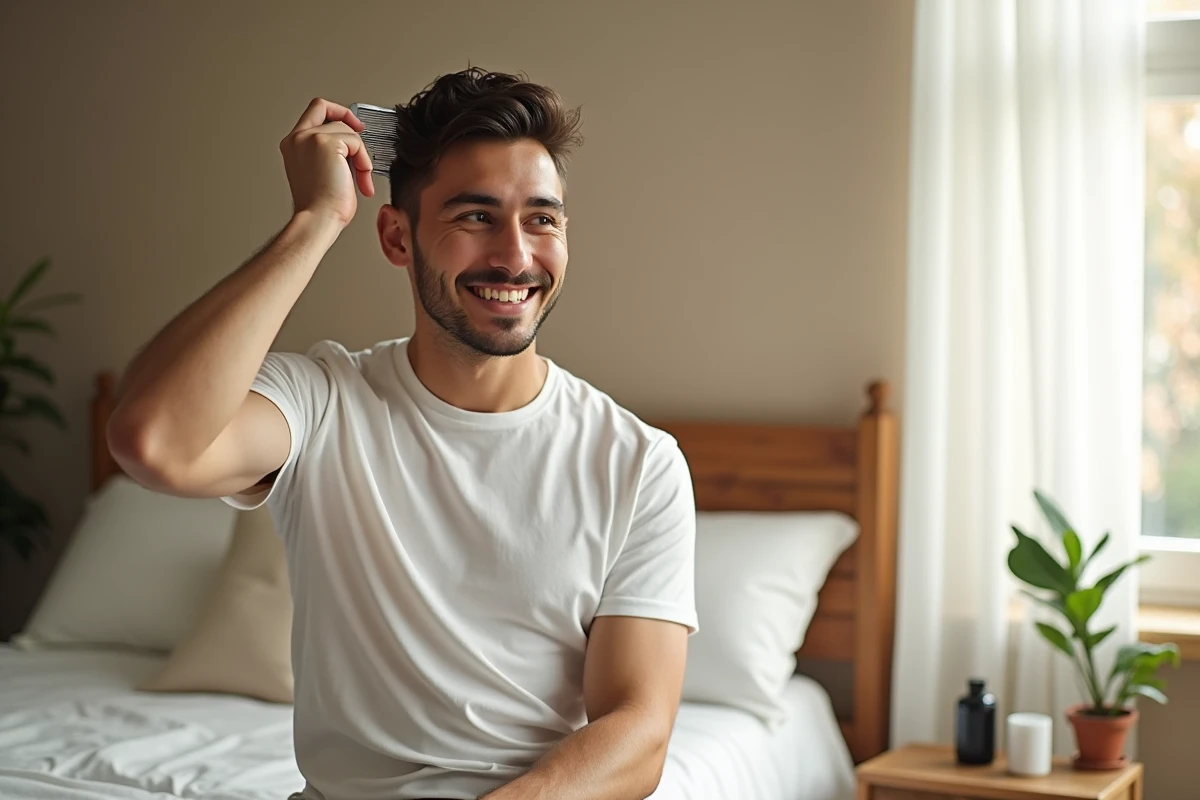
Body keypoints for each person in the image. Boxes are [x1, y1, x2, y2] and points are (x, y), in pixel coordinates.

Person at [107, 68, 698, 800]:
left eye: (541, 218)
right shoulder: (320, 403)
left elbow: (638, 733)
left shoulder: (638, 462)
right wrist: (314, 221)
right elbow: (155, 443)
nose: (516, 256)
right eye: (475, 216)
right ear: (397, 236)